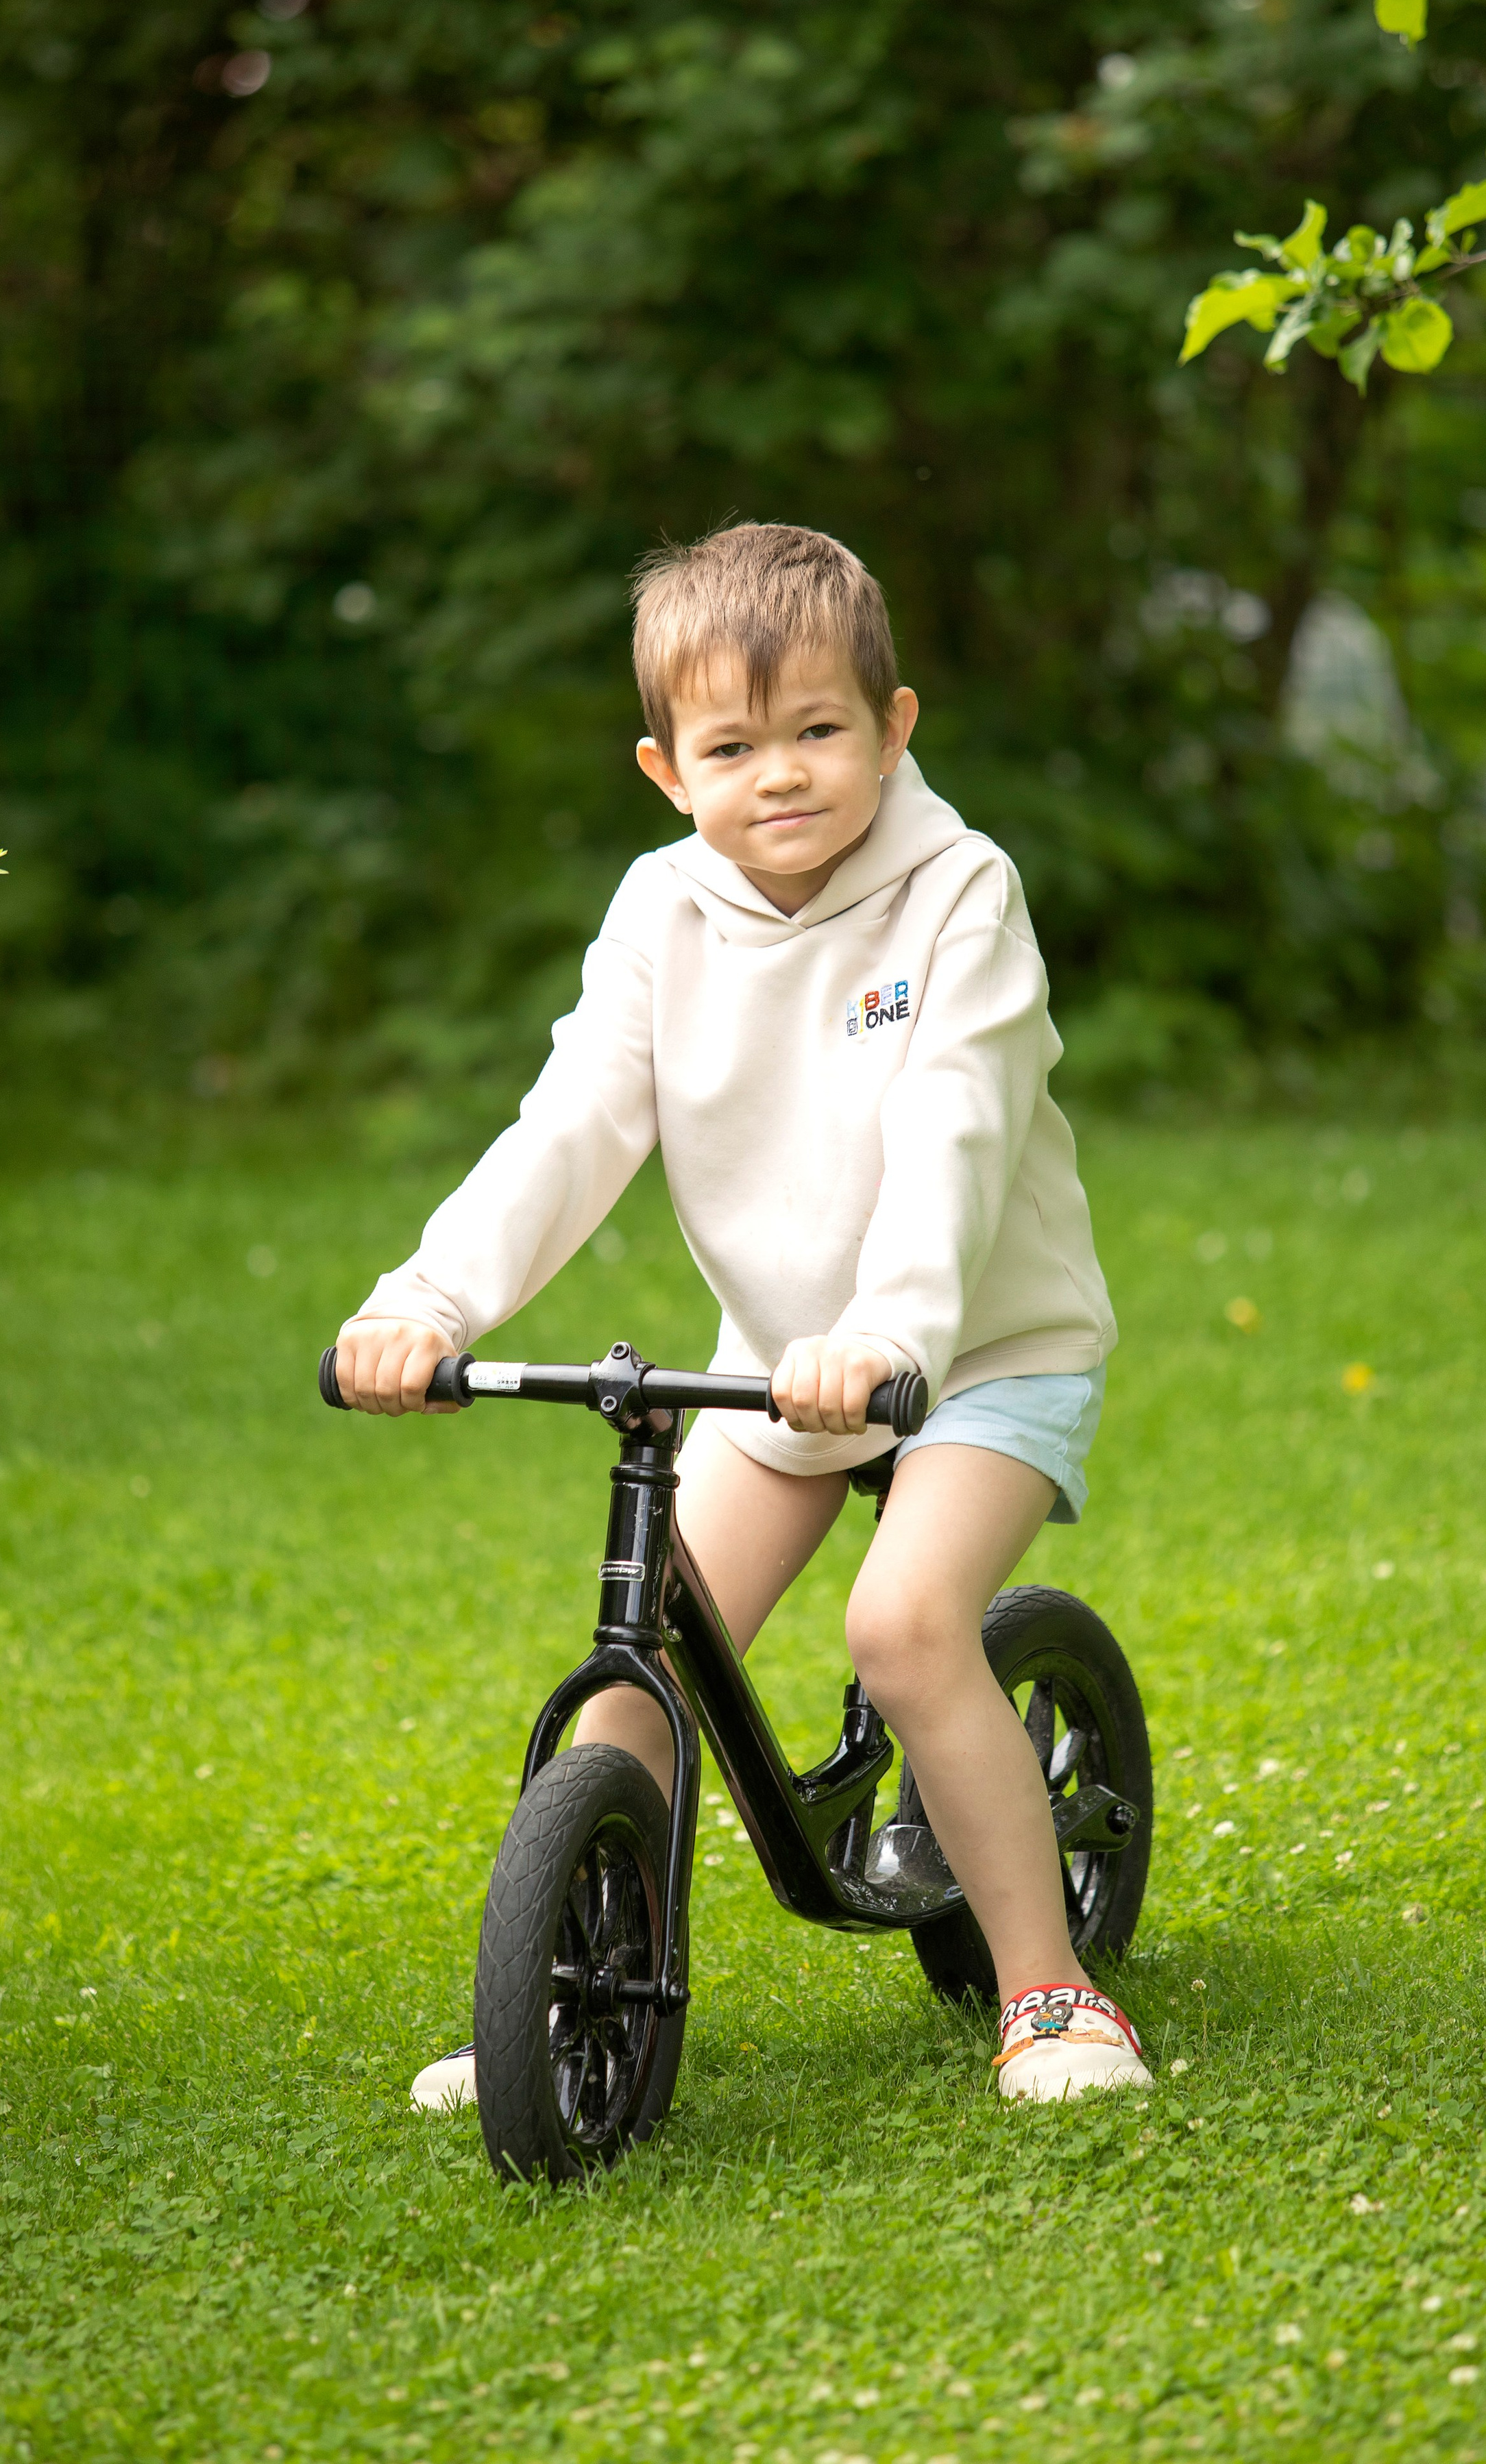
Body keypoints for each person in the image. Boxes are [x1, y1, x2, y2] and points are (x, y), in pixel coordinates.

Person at [332, 522, 1148, 2110]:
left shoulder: (957, 898)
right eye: (730, 746)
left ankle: (1050, 1993)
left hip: (976, 1351)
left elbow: (954, 1135)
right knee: (640, 1651)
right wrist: (426, 1302)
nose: (777, 775)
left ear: (894, 724)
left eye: (817, 731)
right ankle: (552, 1992)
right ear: (664, 769)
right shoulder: (661, 916)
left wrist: (894, 1332)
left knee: (907, 1629)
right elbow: (569, 1129)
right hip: (778, 1369)